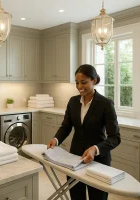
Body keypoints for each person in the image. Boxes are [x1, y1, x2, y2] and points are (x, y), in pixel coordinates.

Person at [47, 64, 121, 200]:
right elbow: (66, 126)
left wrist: (95, 149)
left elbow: (115, 137)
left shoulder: (105, 104)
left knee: (97, 197)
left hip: (98, 162)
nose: (79, 86)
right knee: (76, 196)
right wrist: (56, 139)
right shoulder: (73, 102)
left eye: (83, 82)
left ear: (94, 80)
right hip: (74, 159)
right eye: (77, 82)